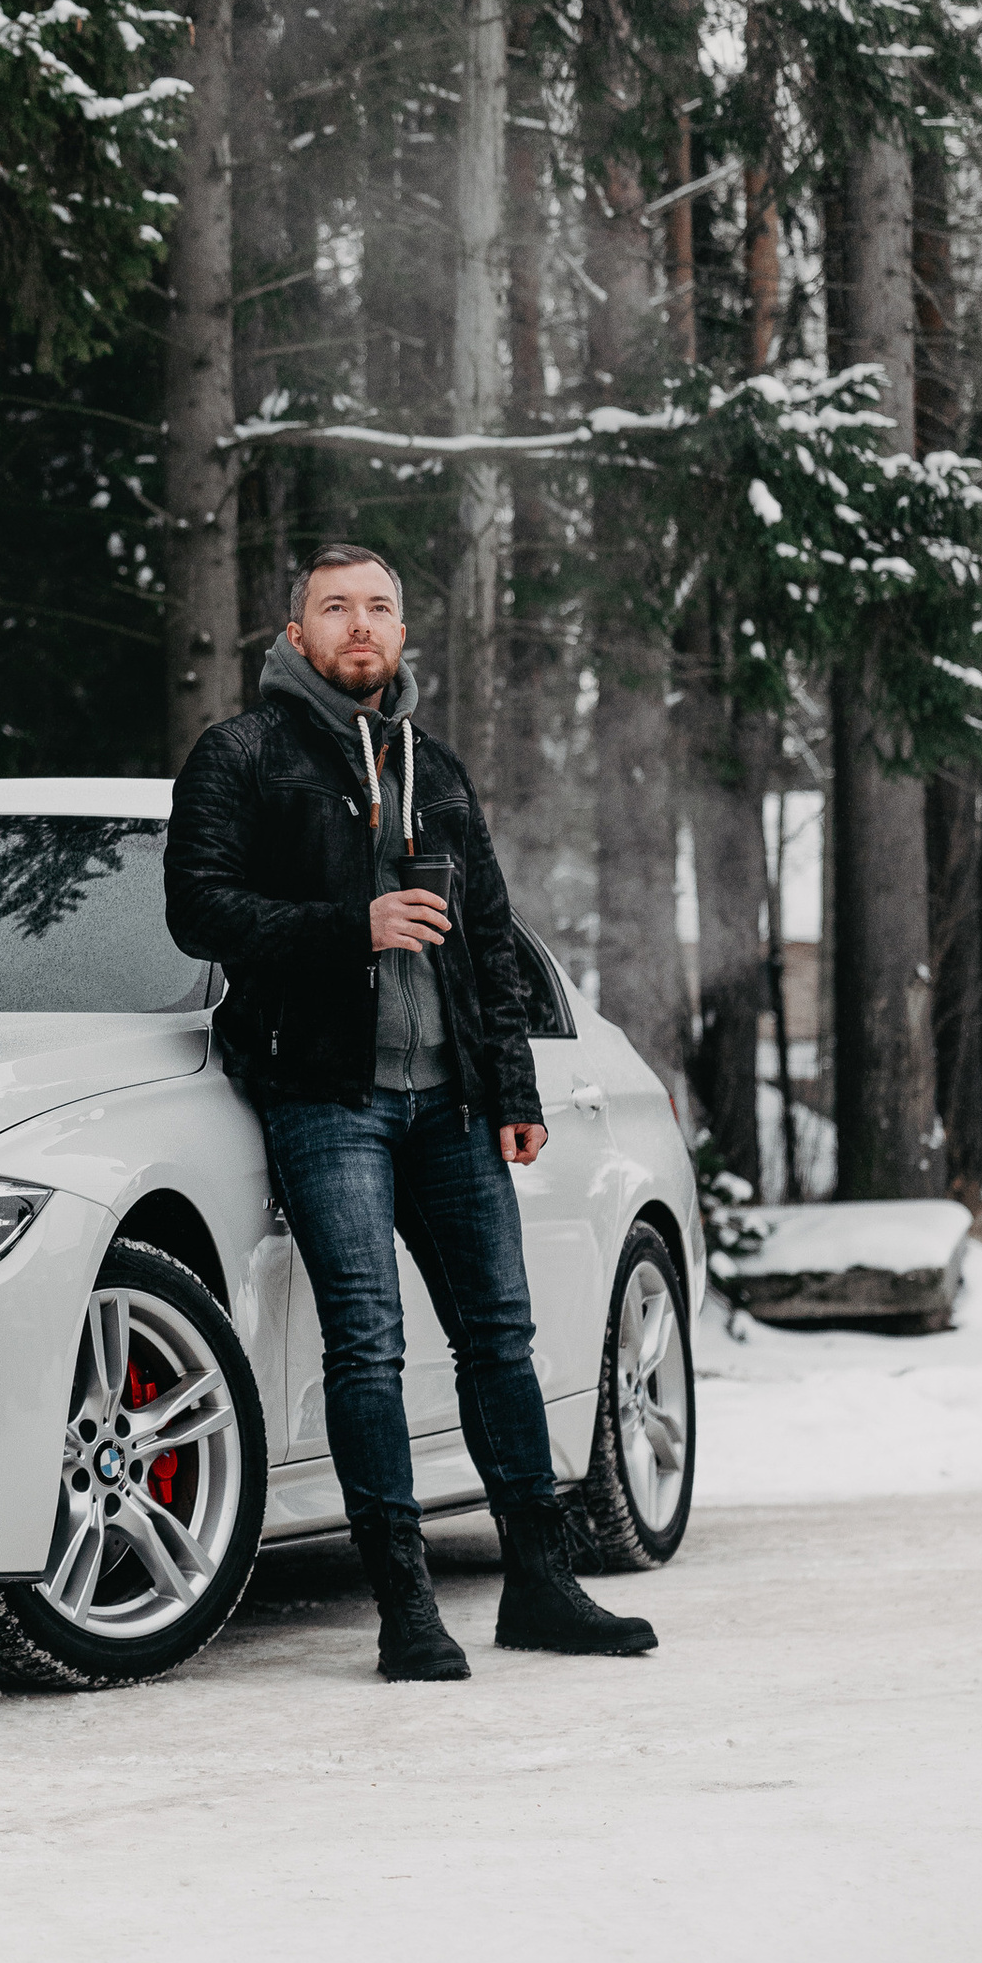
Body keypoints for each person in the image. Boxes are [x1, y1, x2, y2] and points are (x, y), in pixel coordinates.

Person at [165, 543, 655, 1681]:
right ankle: (405, 1610)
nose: (359, 626)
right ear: (293, 637)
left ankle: (539, 1584)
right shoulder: (240, 755)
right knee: (367, 1348)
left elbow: (485, 933)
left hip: (449, 1107)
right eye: (334, 608)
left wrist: (513, 1087)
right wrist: (353, 923)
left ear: (398, 634)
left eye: (378, 608)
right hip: (324, 1096)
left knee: (498, 1338)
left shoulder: (434, 766)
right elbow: (199, 908)